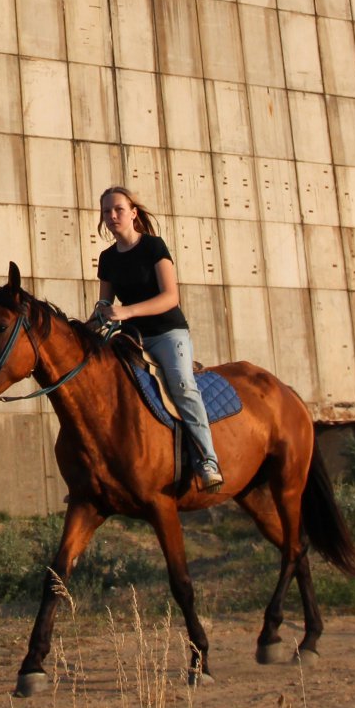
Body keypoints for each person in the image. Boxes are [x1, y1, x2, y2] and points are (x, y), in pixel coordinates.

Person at [90, 185, 223, 491]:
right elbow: (105, 304)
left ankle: (208, 460)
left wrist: (127, 311)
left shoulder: (153, 247)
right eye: (106, 211)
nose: (112, 216)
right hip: (130, 339)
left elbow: (170, 297)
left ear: (133, 213)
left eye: (118, 209)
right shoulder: (107, 258)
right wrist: (96, 320)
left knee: (182, 385)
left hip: (167, 334)